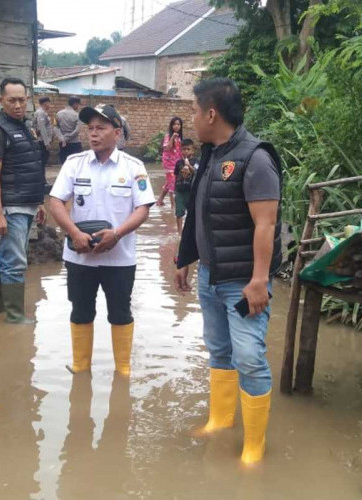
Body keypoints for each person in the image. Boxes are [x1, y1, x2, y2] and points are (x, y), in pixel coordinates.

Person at [175, 78, 283, 466]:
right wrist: (185, 259)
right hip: (209, 276)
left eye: (192, 109)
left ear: (211, 113)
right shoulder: (210, 153)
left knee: (250, 356)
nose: (190, 117)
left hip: (243, 283)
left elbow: (266, 225)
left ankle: (254, 444)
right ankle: (220, 420)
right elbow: (199, 214)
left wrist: (258, 281)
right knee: (219, 350)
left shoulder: (256, 158)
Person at [48, 104, 155, 377]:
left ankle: (123, 371)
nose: (93, 134)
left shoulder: (134, 167)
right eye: (90, 129)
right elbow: (56, 201)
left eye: (101, 128)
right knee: (80, 310)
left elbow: (143, 208)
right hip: (80, 255)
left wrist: (117, 234)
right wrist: (74, 233)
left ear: (116, 133)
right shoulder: (74, 163)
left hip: (119, 259)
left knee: (120, 313)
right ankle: (81, 368)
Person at [0, 77, 46, 324]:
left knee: (3, 257)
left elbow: (30, 167)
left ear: (27, 99)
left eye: (22, 99)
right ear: (1, 101)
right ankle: (15, 316)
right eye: (12, 100)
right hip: (12, 206)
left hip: (27, 203)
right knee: (15, 260)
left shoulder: (24, 127)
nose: (18, 105)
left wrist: (38, 202)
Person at [156, 116, 183, 208]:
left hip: (177, 163)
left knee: (170, 182)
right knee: (172, 184)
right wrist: (172, 138)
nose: (176, 126)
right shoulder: (168, 136)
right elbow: (167, 148)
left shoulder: (179, 138)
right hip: (169, 163)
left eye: (178, 124)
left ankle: (160, 200)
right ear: (171, 126)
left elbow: (180, 151)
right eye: (174, 124)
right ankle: (173, 207)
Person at [173, 138, 197, 235]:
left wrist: (189, 165)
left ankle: (189, 231)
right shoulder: (179, 163)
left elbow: (196, 173)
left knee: (191, 212)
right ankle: (179, 233)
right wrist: (174, 189)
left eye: (188, 149)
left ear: (193, 150)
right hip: (179, 191)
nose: (186, 151)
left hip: (190, 191)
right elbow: (176, 175)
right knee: (179, 212)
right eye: (184, 149)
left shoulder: (196, 161)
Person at [34, 96, 59, 171]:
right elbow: (42, 129)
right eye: (49, 103)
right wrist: (46, 143)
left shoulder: (42, 112)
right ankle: (41, 180)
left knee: (43, 161)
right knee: (42, 161)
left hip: (43, 141)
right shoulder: (41, 113)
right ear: (45, 103)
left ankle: (42, 179)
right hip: (42, 141)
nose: (50, 105)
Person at [56, 95, 82, 164]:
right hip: (74, 143)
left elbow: (55, 127)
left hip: (63, 143)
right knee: (76, 164)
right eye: (78, 105)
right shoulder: (77, 115)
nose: (78, 106)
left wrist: (62, 138)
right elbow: (77, 130)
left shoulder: (58, 113)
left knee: (64, 163)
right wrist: (68, 137)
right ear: (75, 104)